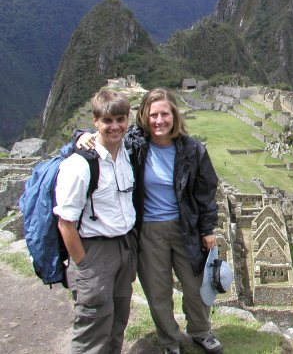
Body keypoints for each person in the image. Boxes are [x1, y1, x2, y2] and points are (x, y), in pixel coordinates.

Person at [78, 88, 222, 354]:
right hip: (148, 231)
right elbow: (106, 134)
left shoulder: (192, 149)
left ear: (174, 115)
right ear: (144, 116)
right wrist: (81, 136)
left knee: (196, 288)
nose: (159, 121)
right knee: (158, 293)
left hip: (185, 228)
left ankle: (201, 331)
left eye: (164, 114)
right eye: (153, 114)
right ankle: (169, 341)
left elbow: (206, 190)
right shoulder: (135, 145)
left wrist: (207, 228)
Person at [54, 89, 137, 354]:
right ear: (95, 121)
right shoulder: (79, 165)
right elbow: (65, 222)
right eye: (108, 120)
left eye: (120, 119)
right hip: (94, 251)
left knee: (118, 321)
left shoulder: (127, 152)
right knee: (93, 327)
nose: (115, 126)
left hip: (124, 247)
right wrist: (84, 265)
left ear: (128, 120)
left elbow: (161, 130)